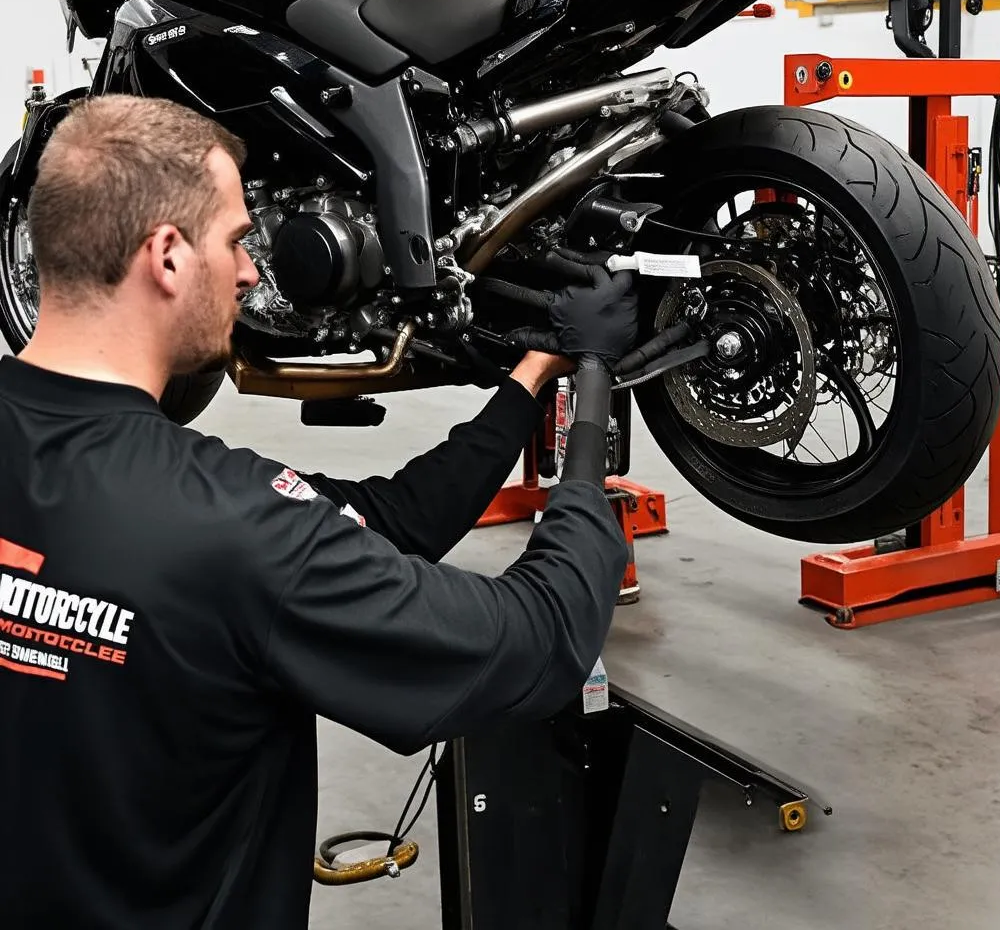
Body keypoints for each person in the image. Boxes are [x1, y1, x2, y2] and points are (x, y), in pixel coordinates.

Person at [0, 95, 639, 929]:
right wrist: (591, 402)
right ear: (165, 256)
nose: (251, 271)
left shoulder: (222, 518)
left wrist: (530, 378)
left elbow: (389, 518)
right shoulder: (233, 527)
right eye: (234, 240)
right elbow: (538, 638)